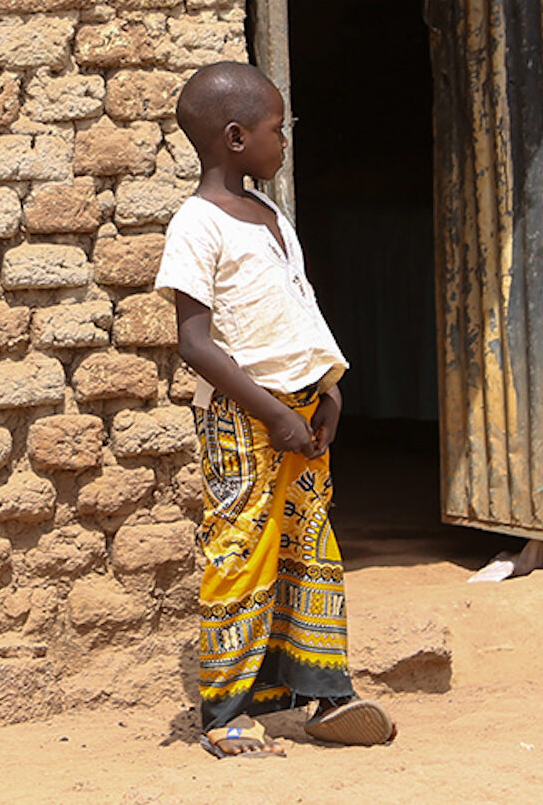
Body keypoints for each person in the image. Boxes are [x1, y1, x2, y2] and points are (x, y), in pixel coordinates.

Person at [155, 61, 399, 758]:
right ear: (235, 137)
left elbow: (296, 310)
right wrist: (270, 413)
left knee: (308, 548)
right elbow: (196, 344)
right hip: (245, 418)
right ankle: (226, 712)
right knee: (242, 549)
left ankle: (325, 696)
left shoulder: (270, 216)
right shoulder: (196, 226)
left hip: (298, 410)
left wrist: (329, 390)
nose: (284, 141)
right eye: (275, 130)